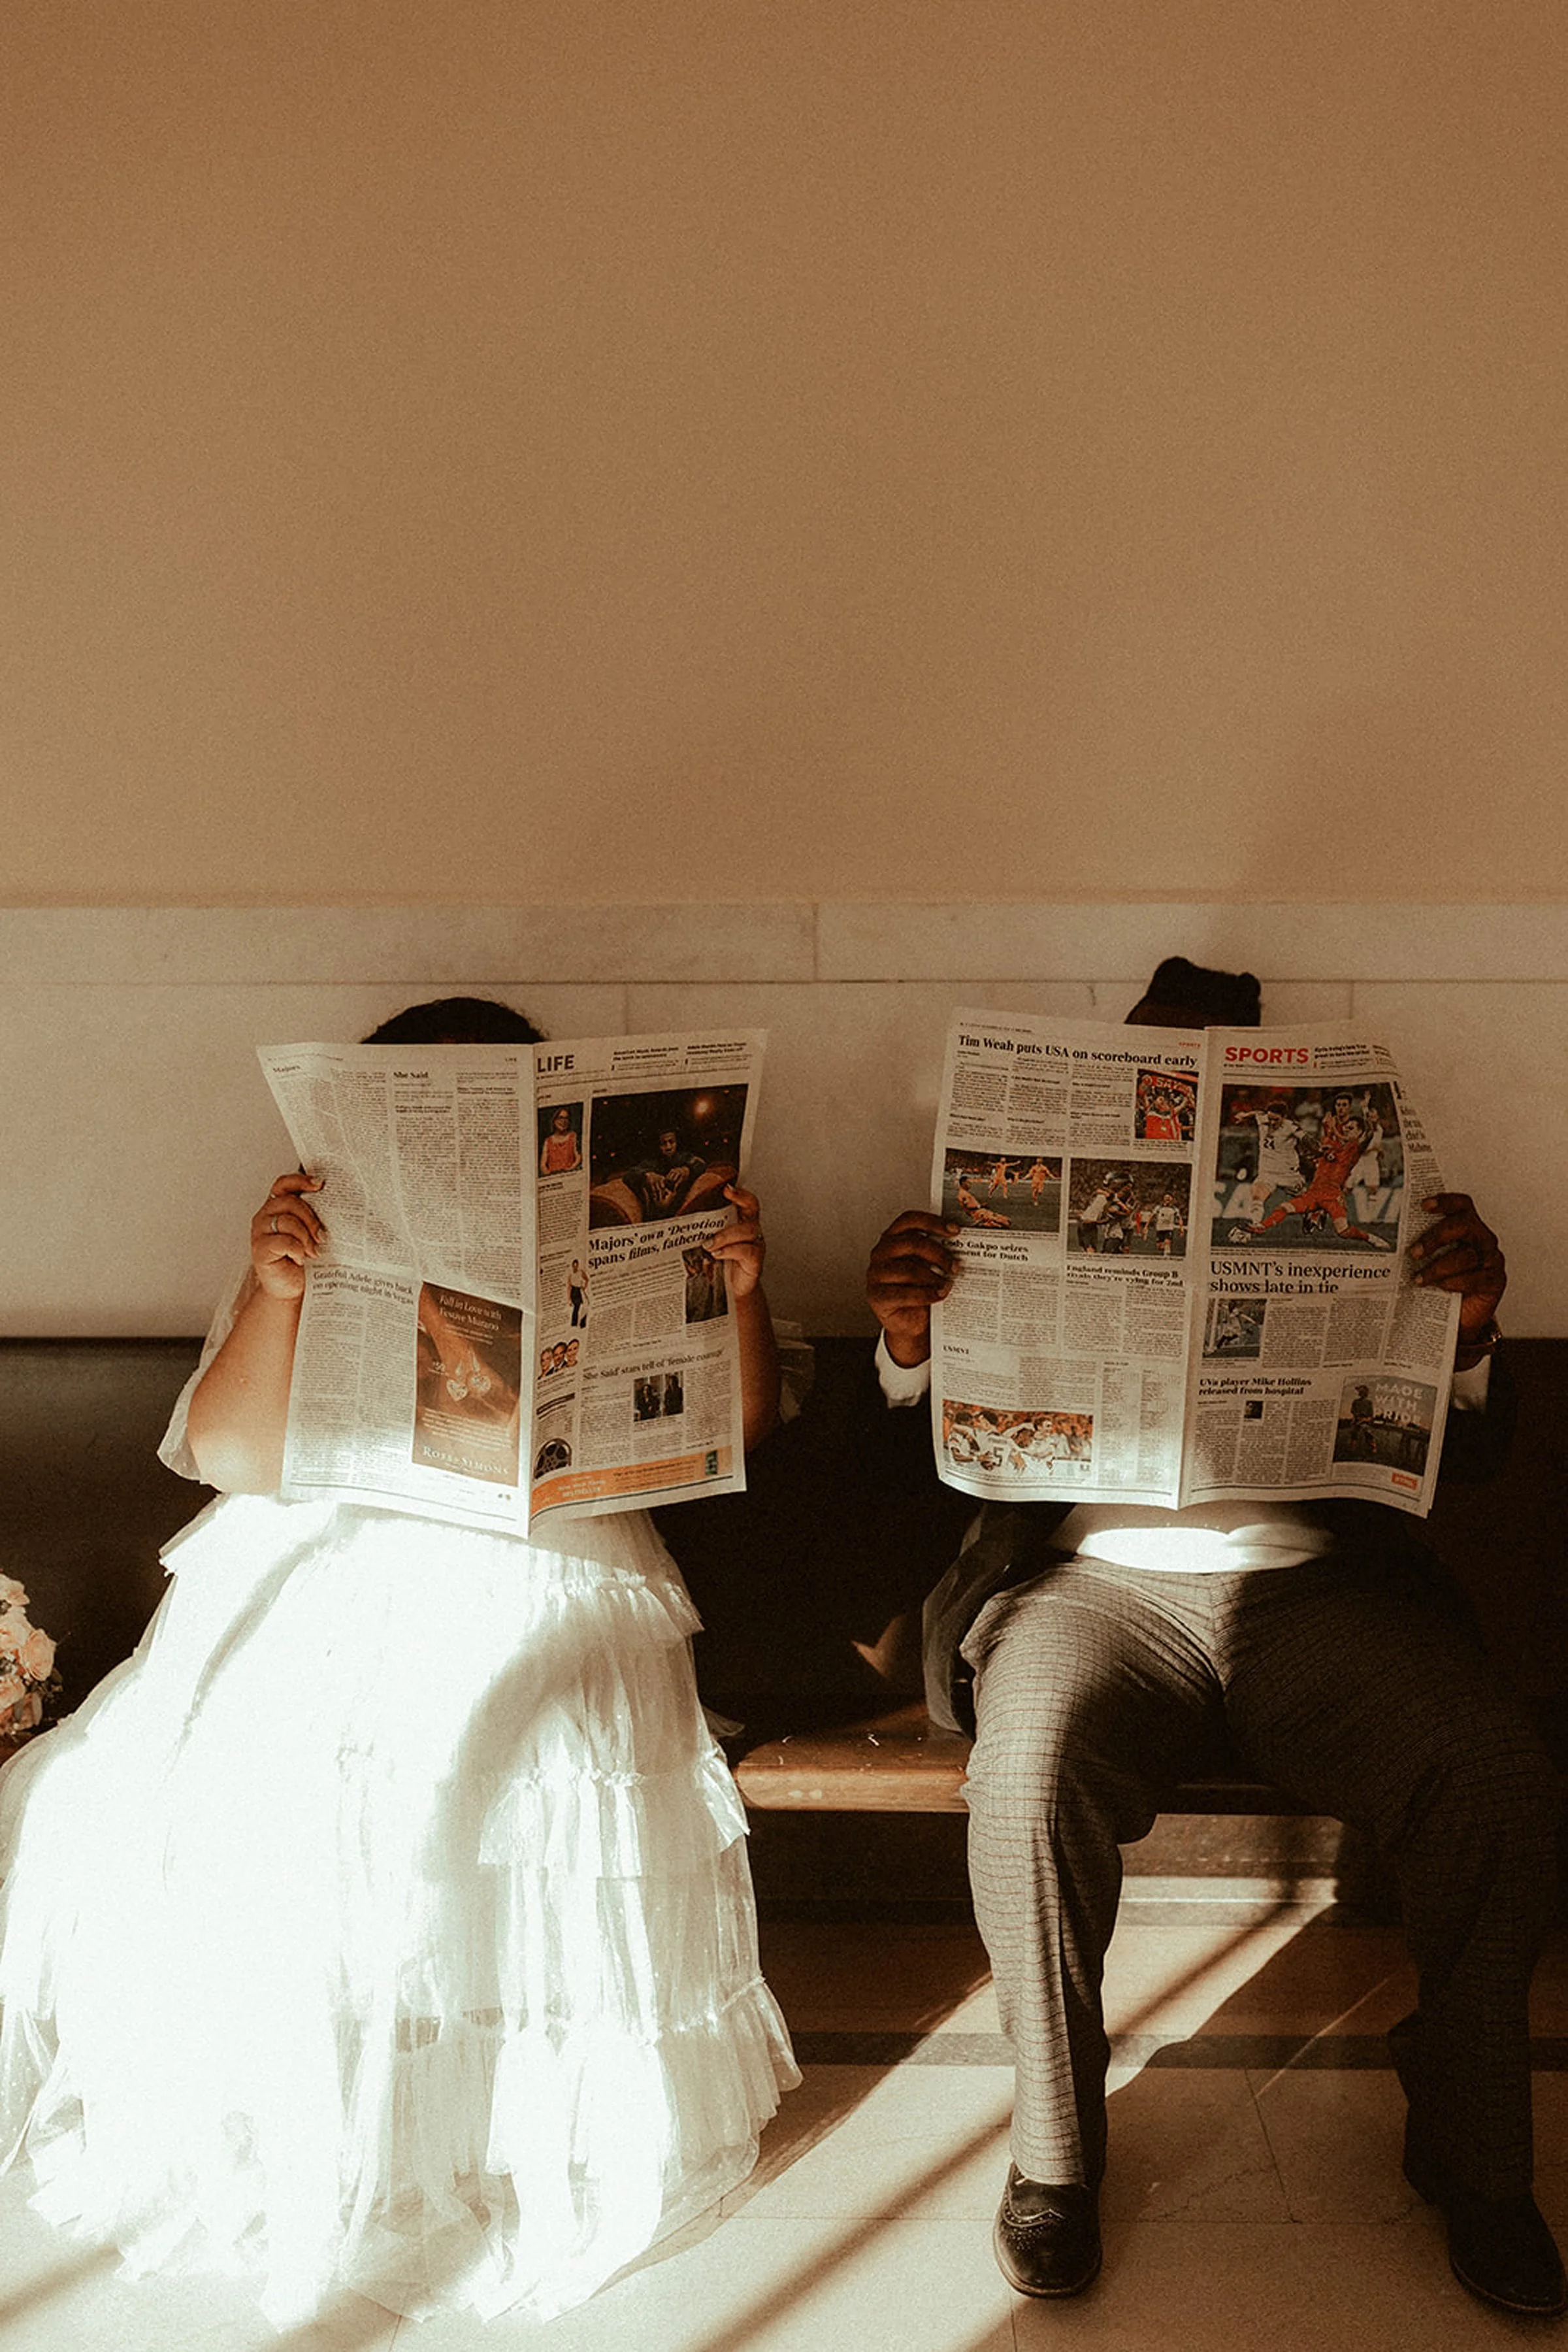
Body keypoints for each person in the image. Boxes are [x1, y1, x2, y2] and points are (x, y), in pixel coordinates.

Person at [0, 996, 796, 2329]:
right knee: (259, 1756)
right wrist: (274, 1290)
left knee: (508, 1734)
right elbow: (240, 1456)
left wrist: (746, 1289)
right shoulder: (310, 1228)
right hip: (339, 1533)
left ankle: (474, 2108)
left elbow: (740, 1430)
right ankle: (313, 2095)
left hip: (562, 1542)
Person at [863, 955, 1562, 2317]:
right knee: (1025, 1768)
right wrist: (908, 1342)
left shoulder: (1367, 1197)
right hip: (1092, 1590)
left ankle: (1477, 2154)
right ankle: (1054, 2159)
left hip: (1320, 1594)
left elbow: (1466, 1456)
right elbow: (919, 1475)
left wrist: (1466, 1331)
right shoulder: (988, 1218)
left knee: (1495, 1770)